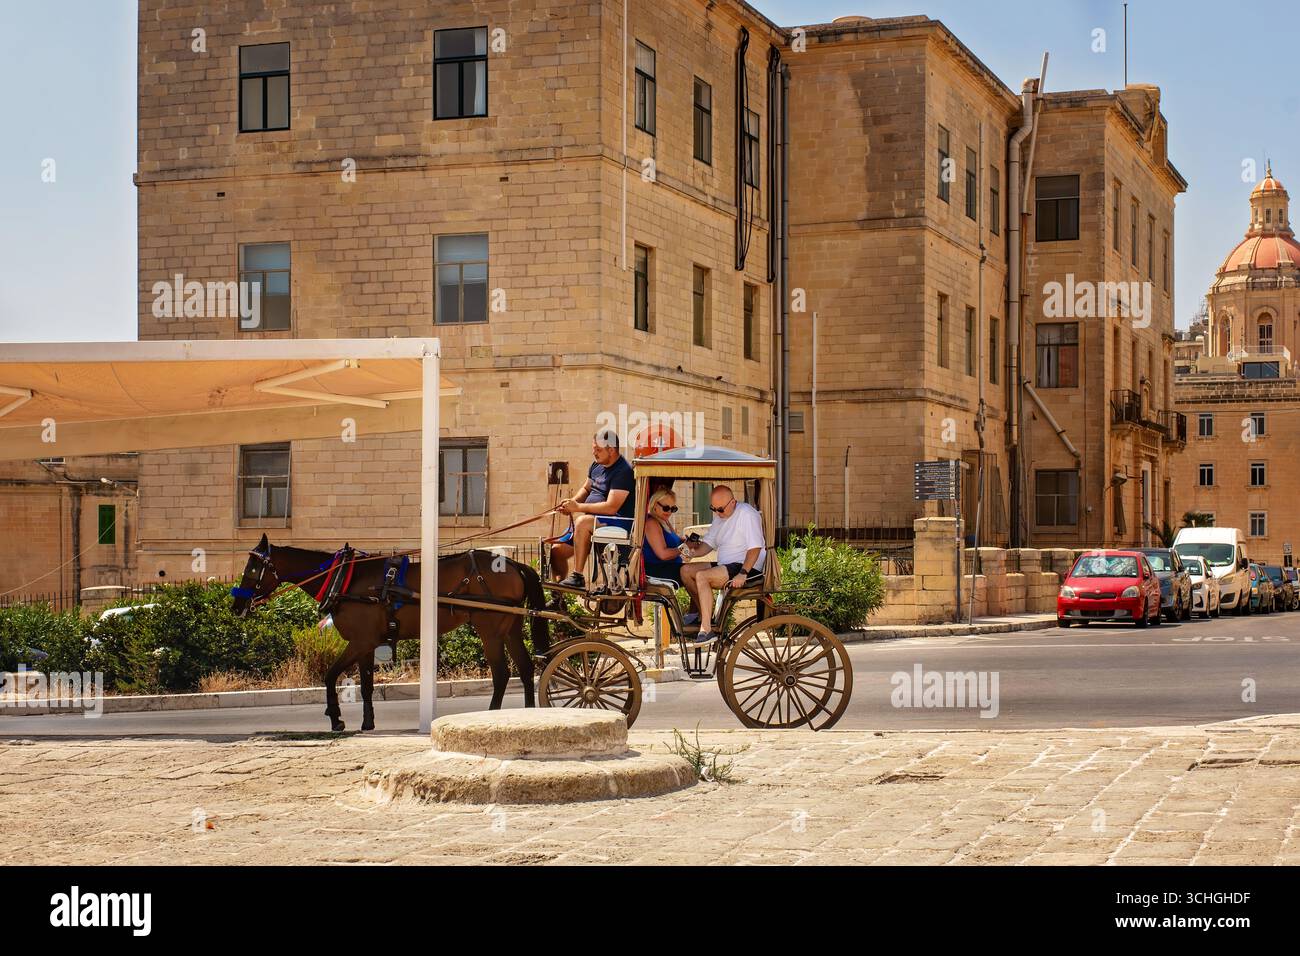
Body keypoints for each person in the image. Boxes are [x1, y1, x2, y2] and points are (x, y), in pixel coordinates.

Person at [678, 484, 765, 645]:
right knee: (686, 571)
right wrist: (692, 554)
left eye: (720, 509)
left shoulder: (747, 514)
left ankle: (707, 629)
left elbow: (755, 547)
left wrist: (743, 573)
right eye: (714, 508)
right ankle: (704, 615)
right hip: (725, 565)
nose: (717, 513)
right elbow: (709, 543)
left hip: (745, 566)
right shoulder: (720, 517)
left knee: (702, 576)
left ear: (733, 502)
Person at [551, 429, 636, 588]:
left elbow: (611, 507)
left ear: (611, 450)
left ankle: (577, 576)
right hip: (592, 520)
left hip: (617, 521)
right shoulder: (596, 465)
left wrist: (577, 508)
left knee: (582, 522)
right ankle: (558, 596)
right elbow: (586, 489)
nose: (594, 453)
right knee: (556, 551)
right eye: (593, 449)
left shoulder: (623, 472)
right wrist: (571, 503)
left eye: (598, 450)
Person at [642, 488, 684, 584]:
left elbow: (675, 539)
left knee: (700, 572)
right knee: (698, 573)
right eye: (666, 508)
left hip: (671, 566)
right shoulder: (652, 522)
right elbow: (663, 554)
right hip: (658, 570)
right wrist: (685, 547)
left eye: (673, 509)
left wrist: (689, 541)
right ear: (655, 505)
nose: (669, 512)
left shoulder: (664, 520)